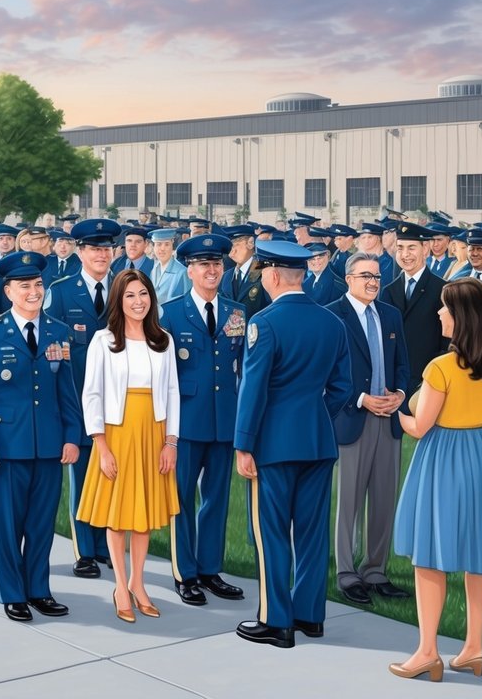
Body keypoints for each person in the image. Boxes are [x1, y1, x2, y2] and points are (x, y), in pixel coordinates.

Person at [233, 240, 352, 649]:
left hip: (274, 444)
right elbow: (342, 388)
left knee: (273, 533)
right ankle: (310, 616)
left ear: (272, 276)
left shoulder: (264, 323)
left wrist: (244, 444)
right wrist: (314, 415)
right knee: (312, 533)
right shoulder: (332, 322)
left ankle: (276, 621)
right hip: (318, 441)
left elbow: (254, 390)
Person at [0, 252, 82, 622]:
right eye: (24, 286)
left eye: (37, 285)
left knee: (41, 522)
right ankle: (13, 593)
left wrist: (71, 436)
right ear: (8, 290)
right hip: (5, 445)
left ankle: (39, 590)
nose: (33, 292)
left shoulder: (57, 332)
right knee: (8, 523)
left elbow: (67, 390)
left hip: (48, 443)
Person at [390, 278, 482, 682]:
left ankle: (427, 652)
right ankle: (472, 649)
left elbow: (419, 426)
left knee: (431, 556)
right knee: (480, 554)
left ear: (462, 318)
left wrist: (397, 409)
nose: (438, 313)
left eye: (446, 308)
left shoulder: (442, 367)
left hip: (445, 459)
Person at [77, 269, 181, 623]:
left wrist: (171, 442)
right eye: (130, 296)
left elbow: (172, 393)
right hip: (117, 433)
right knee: (118, 513)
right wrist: (101, 446)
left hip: (154, 433)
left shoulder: (163, 340)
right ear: (118, 301)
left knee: (143, 514)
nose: (138, 302)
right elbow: (91, 394)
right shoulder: (103, 340)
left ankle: (139, 583)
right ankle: (120, 586)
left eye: (144, 294)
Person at [158, 234, 246, 607]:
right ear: (189, 269)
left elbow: (243, 367)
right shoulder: (170, 312)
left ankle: (210, 569)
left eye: (217, 264)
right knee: (180, 498)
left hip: (224, 419)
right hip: (185, 421)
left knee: (216, 499)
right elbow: (161, 374)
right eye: (203, 264)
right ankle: (185, 572)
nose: (212, 270)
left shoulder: (237, 312)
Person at [325, 253, 411, 608]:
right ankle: (347, 573)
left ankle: (375, 570)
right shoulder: (333, 315)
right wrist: (361, 399)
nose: (373, 282)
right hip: (353, 417)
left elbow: (403, 365)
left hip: (387, 420)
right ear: (349, 278)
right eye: (365, 276)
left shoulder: (390, 314)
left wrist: (400, 395)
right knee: (349, 501)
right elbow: (327, 372)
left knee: (383, 500)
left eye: (377, 276)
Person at [46, 218, 121, 578]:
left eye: (107, 248)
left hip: (119, 403)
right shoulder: (60, 292)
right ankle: (84, 551)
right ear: (80, 252)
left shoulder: (126, 289)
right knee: (81, 476)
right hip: (76, 401)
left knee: (111, 474)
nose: (101, 254)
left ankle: (105, 543)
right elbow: (51, 350)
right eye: (94, 248)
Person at [382, 221, 446, 399]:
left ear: (426, 249)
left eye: (411, 248)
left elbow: (447, 343)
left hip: (429, 384)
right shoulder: (388, 291)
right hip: (393, 387)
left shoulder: (442, 290)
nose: (405, 255)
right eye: (400, 248)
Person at [220, 224, 269, 318]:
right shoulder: (227, 276)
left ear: (250, 243)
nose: (232, 252)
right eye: (229, 247)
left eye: (236, 245)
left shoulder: (263, 270)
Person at [147, 229, 189, 302]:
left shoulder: (182, 272)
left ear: (172, 247)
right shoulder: (154, 268)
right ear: (154, 248)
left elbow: (187, 301)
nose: (162, 249)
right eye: (159, 244)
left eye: (167, 244)